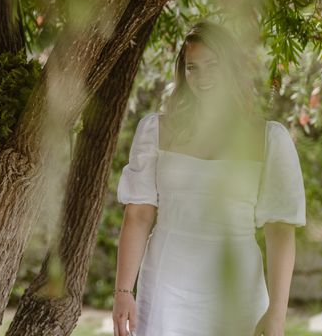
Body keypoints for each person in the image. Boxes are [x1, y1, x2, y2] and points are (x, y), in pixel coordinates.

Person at [112, 21, 306, 336]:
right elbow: (138, 214)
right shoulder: (155, 131)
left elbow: (281, 231)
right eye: (192, 68)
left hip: (237, 287)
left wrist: (277, 314)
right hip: (166, 283)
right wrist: (123, 292)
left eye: (213, 65)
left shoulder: (269, 139)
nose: (202, 77)